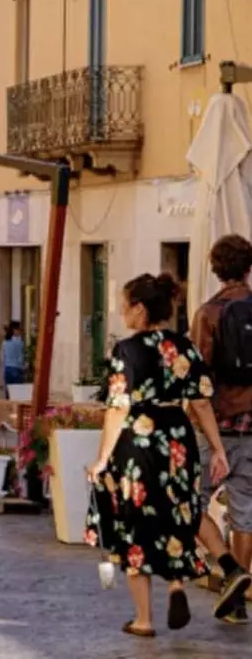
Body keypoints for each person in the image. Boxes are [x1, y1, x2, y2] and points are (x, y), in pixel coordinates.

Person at [84, 273, 232, 637]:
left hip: (139, 440)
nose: (121, 315)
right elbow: (200, 401)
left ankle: (144, 619)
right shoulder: (184, 346)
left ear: (139, 308)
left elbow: (117, 408)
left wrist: (102, 458)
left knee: (137, 520)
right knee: (179, 510)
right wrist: (217, 447)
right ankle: (177, 584)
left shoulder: (128, 350)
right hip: (178, 436)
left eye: (123, 307)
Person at [189, 234, 252, 624]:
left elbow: (197, 382)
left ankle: (230, 571)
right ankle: (239, 601)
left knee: (188, 504)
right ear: (248, 267)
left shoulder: (208, 314)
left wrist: (208, 437)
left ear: (215, 269)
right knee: (246, 514)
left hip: (216, 429)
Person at [2, 320, 26, 392]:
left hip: (7, 369)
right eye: (19, 329)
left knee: (8, 393)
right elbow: (20, 358)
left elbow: (3, 358)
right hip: (16, 369)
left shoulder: (5, 342)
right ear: (14, 330)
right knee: (17, 393)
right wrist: (23, 369)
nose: (20, 332)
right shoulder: (19, 342)